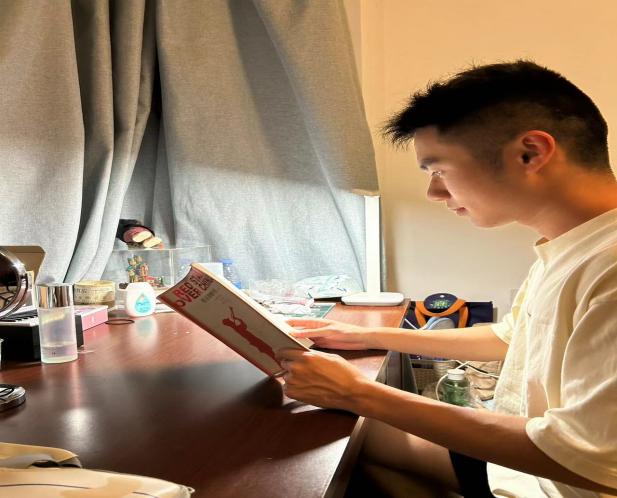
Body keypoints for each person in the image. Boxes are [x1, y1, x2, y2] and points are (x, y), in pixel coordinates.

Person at [276, 61, 617, 498]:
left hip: (554, 478)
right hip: (521, 467)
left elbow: (589, 463)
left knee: (344, 436)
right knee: (354, 439)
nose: (434, 193)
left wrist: (360, 393)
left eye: (438, 170)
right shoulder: (569, 244)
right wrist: (365, 337)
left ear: (530, 153)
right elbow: (508, 337)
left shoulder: (608, 267)